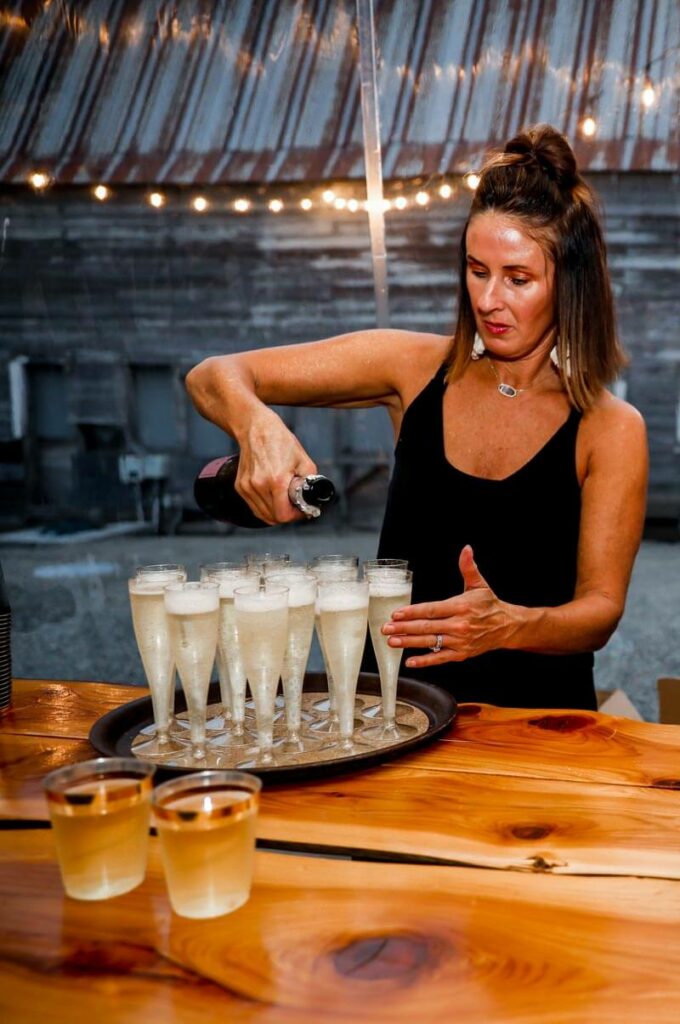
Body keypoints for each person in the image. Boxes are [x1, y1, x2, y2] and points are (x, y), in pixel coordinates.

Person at [186, 124, 648, 711]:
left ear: (571, 284)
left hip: (540, 729)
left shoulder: (610, 427)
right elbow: (211, 375)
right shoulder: (413, 369)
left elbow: (600, 611)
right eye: (477, 270)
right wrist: (260, 429)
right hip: (398, 715)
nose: (487, 299)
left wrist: (508, 624)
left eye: (518, 279)